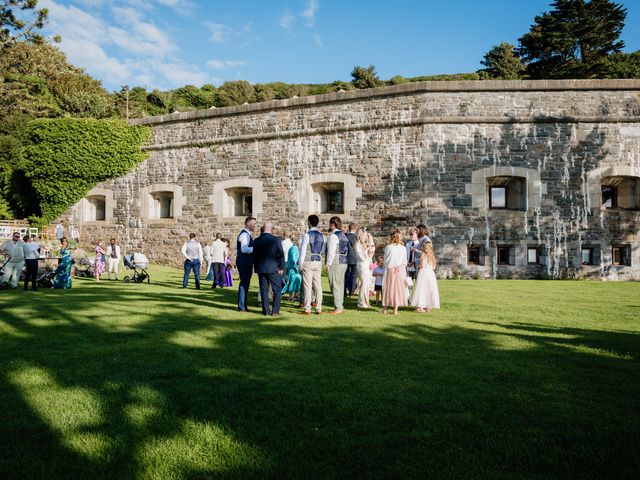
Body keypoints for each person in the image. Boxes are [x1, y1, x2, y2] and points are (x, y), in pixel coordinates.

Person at [252, 221, 285, 316]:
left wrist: (256, 266)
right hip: (273, 268)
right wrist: (281, 267)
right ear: (271, 229)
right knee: (277, 290)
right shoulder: (276, 240)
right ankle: (275, 311)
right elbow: (281, 255)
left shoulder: (257, 240)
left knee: (264, 290)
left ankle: (266, 311)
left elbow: (254, 256)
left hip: (261, 268)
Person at [299, 214, 325, 315]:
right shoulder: (322, 235)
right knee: (318, 286)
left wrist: (300, 264)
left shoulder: (307, 235)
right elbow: (322, 250)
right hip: (318, 261)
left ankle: (307, 308)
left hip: (308, 261)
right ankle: (319, 308)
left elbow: (303, 251)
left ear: (309, 223)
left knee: (307, 286)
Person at [326, 216, 349, 314]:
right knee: (340, 284)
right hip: (344, 261)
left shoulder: (333, 236)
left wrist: (328, 264)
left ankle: (338, 306)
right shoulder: (343, 235)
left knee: (334, 284)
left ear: (332, 225)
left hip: (336, 260)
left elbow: (331, 252)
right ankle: (340, 305)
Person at [382, 230, 408, 315]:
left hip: (390, 270)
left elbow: (385, 260)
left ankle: (385, 309)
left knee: (388, 288)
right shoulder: (403, 248)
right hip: (400, 270)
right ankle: (395, 310)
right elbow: (405, 261)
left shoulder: (388, 247)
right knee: (398, 289)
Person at [411, 242, 441, 313]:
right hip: (431, 273)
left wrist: (418, 266)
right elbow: (433, 267)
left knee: (422, 288)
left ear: (424, 248)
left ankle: (420, 307)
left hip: (424, 273)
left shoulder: (423, 255)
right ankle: (428, 307)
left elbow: (423, 265)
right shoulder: (432, 256)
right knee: (429, 289)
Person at [236, 216, 256, 311]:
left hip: (246, 261)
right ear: (248, 223)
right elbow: (244, 249)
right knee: (244, 283)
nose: (254, 226)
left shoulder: (247, 234)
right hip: (244, 261)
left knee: (246, 283)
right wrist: (255, 249)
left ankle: (243, 305)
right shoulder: (244, 235)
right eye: (253, 224)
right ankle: (242, 306)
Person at [355, 230, 372, 309]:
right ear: (360, 236)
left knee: (366, 284)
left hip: (366, 265)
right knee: (364, 284)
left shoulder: (364, 244)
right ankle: (362, 302)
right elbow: (361, 257)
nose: (365, 238)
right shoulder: (357, 244)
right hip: (362, 265)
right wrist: (366, 249)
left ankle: (365, 301)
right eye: (364, 236)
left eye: (366, 236)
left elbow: (370, 254)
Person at [345, 224, 359, 298]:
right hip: (355, 259)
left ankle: (344, 291)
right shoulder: (357, 237)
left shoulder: (346, 236)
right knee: (354, 276)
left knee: (346, 275)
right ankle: (351, 293)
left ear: (349, 228)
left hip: (347, 258)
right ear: (355, 229)